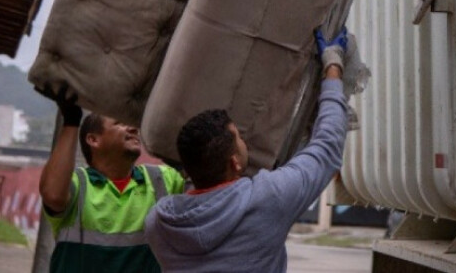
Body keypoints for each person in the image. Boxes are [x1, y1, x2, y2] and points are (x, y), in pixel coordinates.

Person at [144, 28, 351, 272]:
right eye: (240, 138)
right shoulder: (267, 198)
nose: (245, 142)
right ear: (234, 162)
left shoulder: (159, 222)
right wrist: (333, 65)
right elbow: (327, 147)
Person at [39, 90, 186, 272]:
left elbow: (211, 185)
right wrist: (71, 121)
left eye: (133, 125)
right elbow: (52, 195)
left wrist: (180, 156)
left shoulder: (162, 178)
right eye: (120, 123)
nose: (134, 129)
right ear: (93, 140)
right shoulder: (79, 183)